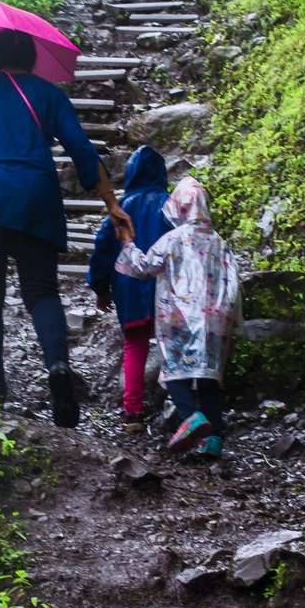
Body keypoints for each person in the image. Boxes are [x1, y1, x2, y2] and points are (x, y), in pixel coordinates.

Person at [0, 29, 133, 427]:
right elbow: (81, 148)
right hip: (36, 196)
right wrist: (111, 203)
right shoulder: (49, 94)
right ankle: (58, 368)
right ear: (31, 59)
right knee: (42, 292)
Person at [113, 177, 242, 455]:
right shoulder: (220, 244)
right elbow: (233, 284)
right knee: (208, 377)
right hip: (214, 319)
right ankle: (214, 438)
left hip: (178, 318)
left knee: (175, 371)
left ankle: (189, 416)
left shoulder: (172, 239)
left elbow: (144, 267)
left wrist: (127, 244)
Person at [86, 145, 174, 434]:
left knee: (135, 346)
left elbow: (103, 250)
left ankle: (132, 413)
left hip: (130, 290)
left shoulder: (121, 210)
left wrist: (101, 288)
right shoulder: (171, 205)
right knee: (172, 346)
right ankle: (181, 408)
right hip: (167, 290)